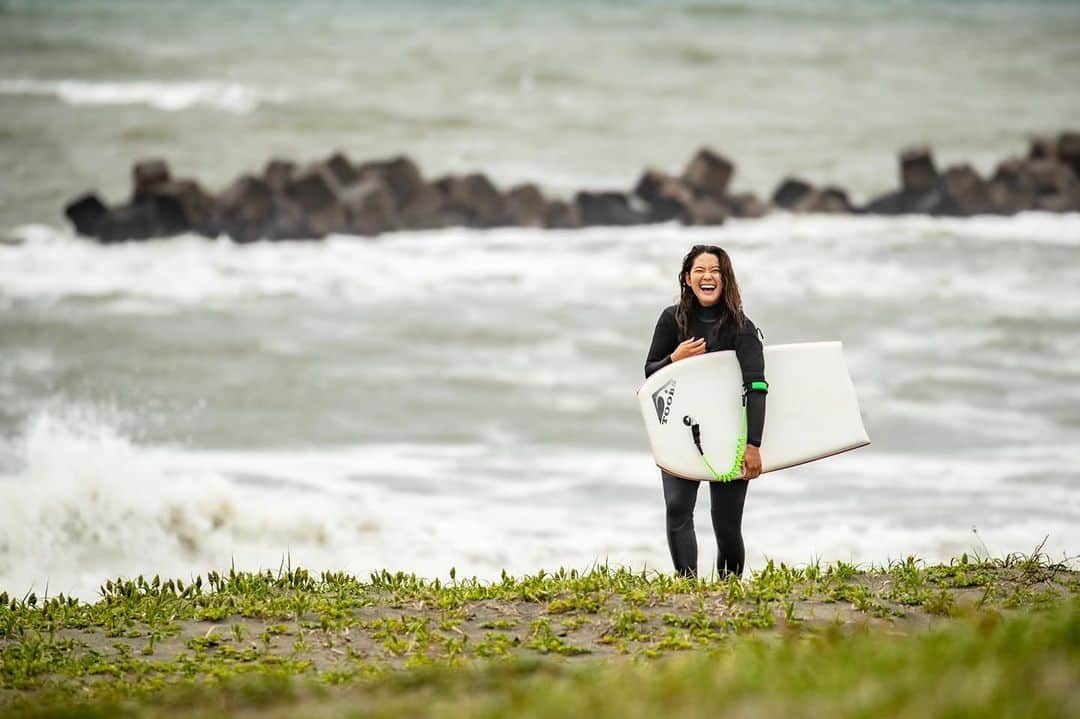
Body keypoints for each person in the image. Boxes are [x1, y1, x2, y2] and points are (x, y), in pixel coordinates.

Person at [644, 245, 767, 578]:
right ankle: (687, 588)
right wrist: (675, 359)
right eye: (699, 270)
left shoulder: (741, 328)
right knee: (677, 510)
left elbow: (756, 387)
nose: (707, 276)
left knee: (726, 525)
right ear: (687, 278)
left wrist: (753, 445)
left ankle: (728, 591)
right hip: (681, 430)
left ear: (725, 280)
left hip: (729, 436)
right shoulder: (673, 320)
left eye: (715, 270)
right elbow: (649, 372)